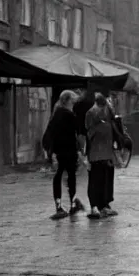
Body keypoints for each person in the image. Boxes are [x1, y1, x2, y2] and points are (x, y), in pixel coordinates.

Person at [42, 90, 86, 219]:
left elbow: (50, 133)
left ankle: (61, 206)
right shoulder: (69, 115)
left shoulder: (57, 113)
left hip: (58, 150)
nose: (75, 101)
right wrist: (81, 151)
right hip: (68, 149)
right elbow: (77, 134)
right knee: (70, 176)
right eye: (73, 99)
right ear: (67, 100)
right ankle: (72, 205)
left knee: (61, 175)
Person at [84, 93, 120, 219]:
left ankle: (104, 205)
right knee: (95, 180)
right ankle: (95, 206)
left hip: (106, 152)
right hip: (95, 153)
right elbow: (89, 133)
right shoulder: (91, 113)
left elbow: (114, 124)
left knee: (105, 180)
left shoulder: (108, 110)